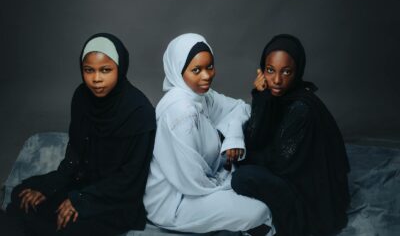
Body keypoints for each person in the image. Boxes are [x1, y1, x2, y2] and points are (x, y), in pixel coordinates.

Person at [6, 33, 156, 236]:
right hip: (80, 183)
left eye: (105, 70)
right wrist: (49, 188)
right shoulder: (81, 97)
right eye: (89, 70)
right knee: (21, 194)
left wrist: (81, 201)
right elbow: (75, 156)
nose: (96, 79)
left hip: (116, 199)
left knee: (69, 227)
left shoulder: (139, 112)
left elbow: (129, 179)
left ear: (120, 69)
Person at [144, 33, 274, 235]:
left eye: (209, 67)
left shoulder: (201, 95)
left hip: (205, 183)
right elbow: (190, 180)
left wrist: (233, 136)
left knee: (258, 186)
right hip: (176, 202)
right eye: (196, 70)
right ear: (178, 70)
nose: (206, 76)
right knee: (260, 209)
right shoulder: (180, 112)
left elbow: (240, 108)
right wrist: (229, 185)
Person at [231, 34, 350, 236]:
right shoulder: (275, 98)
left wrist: (245, 156)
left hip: (307, 198)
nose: (277, 80)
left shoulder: (300, 107)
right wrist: (261, 97)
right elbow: (256, 137)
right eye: (270, 71)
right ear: (262, 70)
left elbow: (278, 163)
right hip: (288, 174)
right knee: (238, 153)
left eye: (286, 72)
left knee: (242, 177)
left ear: (297, 72)